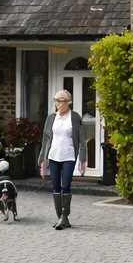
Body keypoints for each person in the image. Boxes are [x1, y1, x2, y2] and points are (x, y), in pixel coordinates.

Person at [39, 90, 85, 230]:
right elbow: (46, 140)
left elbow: (82, 139)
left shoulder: (75, 117)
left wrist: (82, 158)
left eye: (60, 101)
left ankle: (65, 216)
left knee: (66, 185)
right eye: (56, 101)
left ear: (68, 102)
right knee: (55, 187)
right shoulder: (51, 118)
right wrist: (43, 160)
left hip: (69, 156)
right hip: (54, 156)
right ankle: (60, 217)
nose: (57, 104)